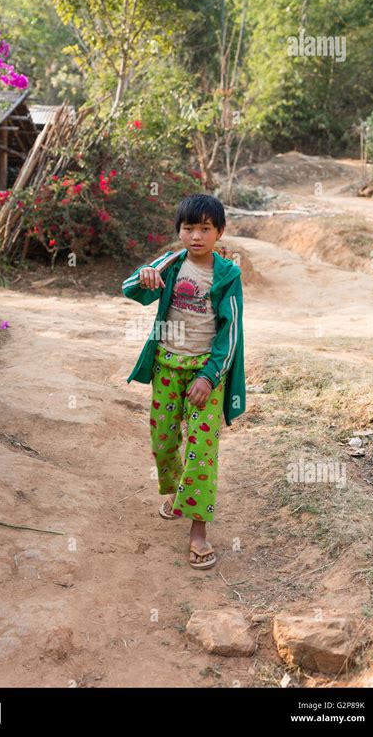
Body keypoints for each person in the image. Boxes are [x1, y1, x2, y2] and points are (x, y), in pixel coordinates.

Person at [122, 194, 246, 569]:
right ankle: (178, 493)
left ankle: (198, 530)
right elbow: (132, 289)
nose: (196, 236)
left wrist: (210, 376)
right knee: (162, 442)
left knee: (201, 449)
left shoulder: (228, 275)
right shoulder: (170, 264)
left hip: (205, 373)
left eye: (205, 228)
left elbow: (231, 333)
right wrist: (145, 277)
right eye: (188, 228)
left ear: (219, 232)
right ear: (178, 231)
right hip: (166, 367)